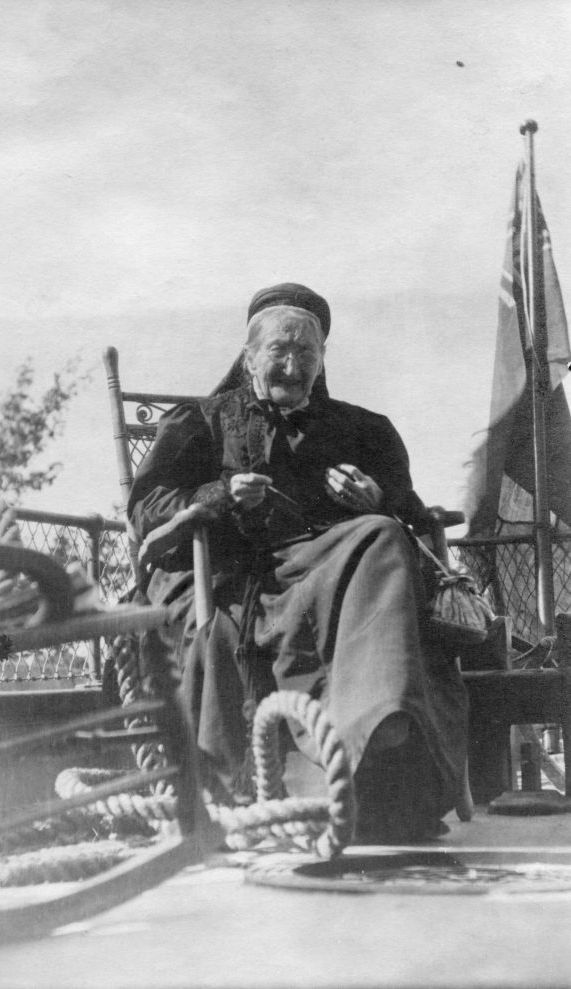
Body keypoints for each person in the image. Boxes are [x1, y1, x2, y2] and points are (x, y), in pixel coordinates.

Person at [128, 282, 468, 842]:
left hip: (329, 572)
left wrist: (376, 496)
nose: (292, 365)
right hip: (226, 571)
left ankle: (377, 727)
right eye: (278, 352)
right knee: (358, 552)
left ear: (322, 360)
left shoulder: (364, 429)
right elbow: (147, 508)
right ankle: (317, 766)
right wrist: (218, 495)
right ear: (249, 358)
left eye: (306, 353)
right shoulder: (201, 420)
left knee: (381, 533)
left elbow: (408, 511)